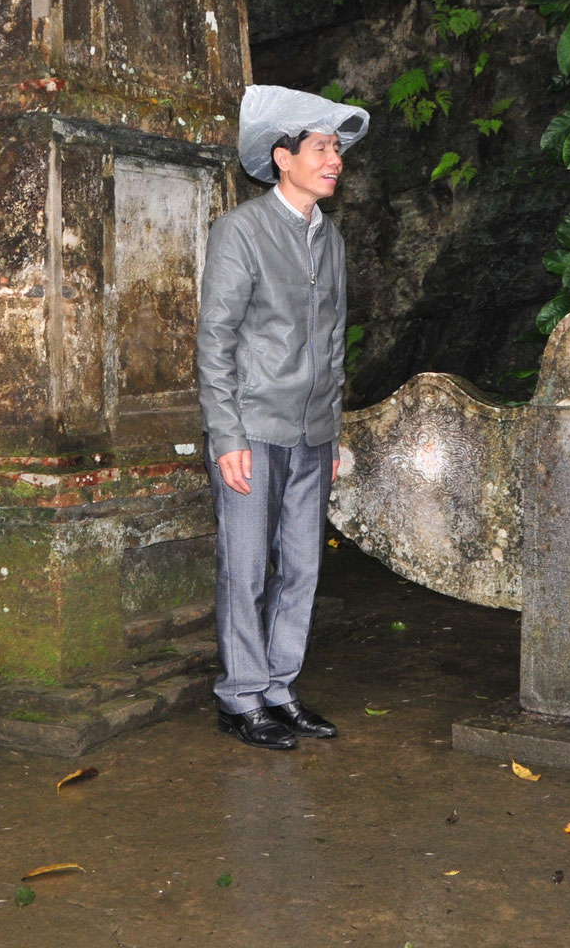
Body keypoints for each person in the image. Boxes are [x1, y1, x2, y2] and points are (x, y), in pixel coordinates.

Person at [195, 85, 369, 750]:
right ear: (283, 156)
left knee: (302, 566)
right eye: (323, 147)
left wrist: (333, 430)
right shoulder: (241, 232)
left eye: (337, 149)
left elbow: (333, 344)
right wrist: (226, 433)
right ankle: (240, 695)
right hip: (253, 429)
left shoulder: (332, 241)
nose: (336, 161)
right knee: (246, 566)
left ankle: (278, 687)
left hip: (312, 434)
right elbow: (216, 341)